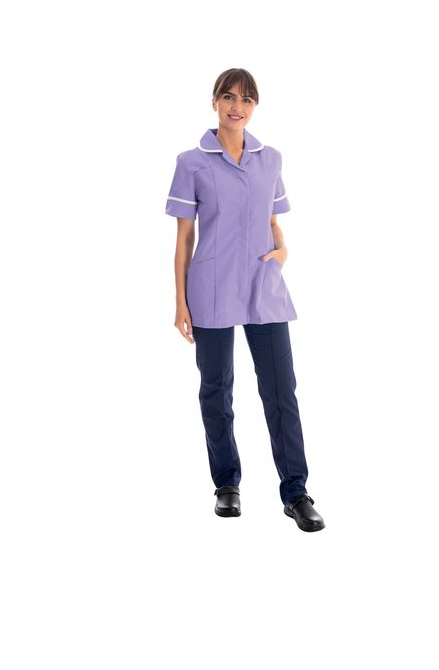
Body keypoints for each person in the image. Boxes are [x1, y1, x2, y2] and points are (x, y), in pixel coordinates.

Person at [165, 68, 325, 532]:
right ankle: (226, 484)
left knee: (281, 390)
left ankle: (295, 492)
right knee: (216, 390)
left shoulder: (270, 159)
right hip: (211, 287)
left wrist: (283, 248)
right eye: (229, 97)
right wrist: (180, 302)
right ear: (214, 101)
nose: (238, 107)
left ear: (255, 106)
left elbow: (273, 220)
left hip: (262, 285)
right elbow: (184, 238)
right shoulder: (191, 163)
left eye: (247, 99)